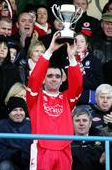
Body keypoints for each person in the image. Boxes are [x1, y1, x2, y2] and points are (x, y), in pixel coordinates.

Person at [26, 31, 83, 169]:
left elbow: (77, 85)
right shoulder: (35, 98)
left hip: (64, 149)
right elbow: (34, 79)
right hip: (41, 148)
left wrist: (71, 56)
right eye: (50, 75)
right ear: (44, 79)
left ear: (62, 79)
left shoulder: (66, 99)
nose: (53, 79)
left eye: (57, 76)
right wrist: (50, 50)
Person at [0, 97, 32, 170]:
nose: (18, 113)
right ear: (8, 112)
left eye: (21, 110)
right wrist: (12, 155)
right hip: (10, 163)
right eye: (14, 110)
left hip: (30, 163)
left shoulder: (33, 125)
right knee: (5, 166)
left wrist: (26, 156)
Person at [0, 35, 21, 130]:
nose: (2, 50)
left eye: (5, 48)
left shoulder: (13, 69)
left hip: (6, 111)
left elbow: (18, 88)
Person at [74, 33, 103, 105]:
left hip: (87, 103)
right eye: (75, 41)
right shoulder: (65, 60)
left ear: (86, 45)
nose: (78, 44)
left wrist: (80, 78)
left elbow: (98, 83)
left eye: (82, 41)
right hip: (68, 101)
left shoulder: (94, 61)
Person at [71, 106, 104, 170]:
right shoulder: (66, 143)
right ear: (71, 123)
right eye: (77, 120)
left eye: (84, 120)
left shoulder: (102, 141)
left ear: (90, 123)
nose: (81, 123)